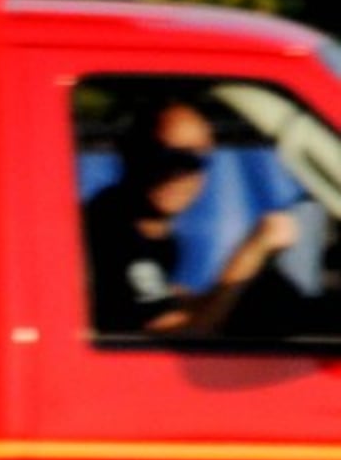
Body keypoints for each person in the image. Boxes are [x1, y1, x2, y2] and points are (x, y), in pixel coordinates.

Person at [82, 97, 296, 339]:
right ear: (130, 154)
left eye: (192, 161)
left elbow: (170, 305)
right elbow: (179, 339)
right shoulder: (109, 231)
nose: (175, 172)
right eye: (160, 154)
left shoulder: (155, 237)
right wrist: (251, 253)